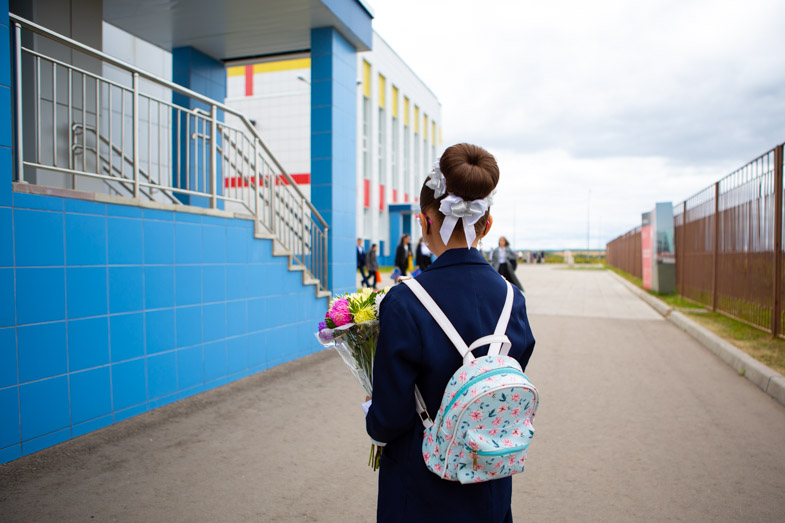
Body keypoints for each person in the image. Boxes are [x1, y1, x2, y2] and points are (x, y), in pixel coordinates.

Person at [366, 143, 536, 522]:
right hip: (488, 478)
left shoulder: (405, 301)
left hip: (421, 484)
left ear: (425, 221)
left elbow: (389, 420)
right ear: (486, 225)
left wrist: (373, 410)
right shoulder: (513, 299)